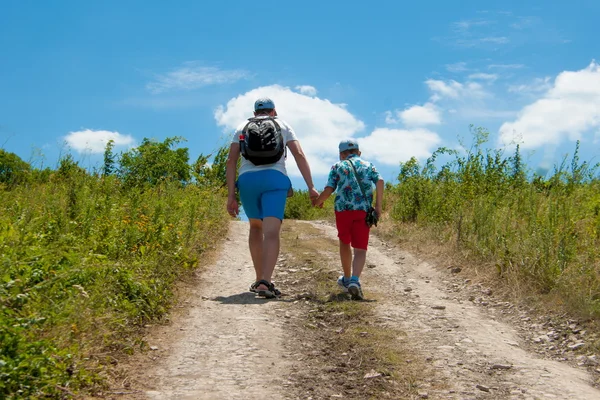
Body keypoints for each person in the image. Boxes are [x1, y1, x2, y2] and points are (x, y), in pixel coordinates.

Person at [226, 97, 319, 298]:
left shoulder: (242, 126)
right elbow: (299, 154)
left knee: (255, 227)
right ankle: (265, 282)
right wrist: (311, 186)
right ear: (273, 111)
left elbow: (231, 161)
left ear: (254, 112)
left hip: (247, 180)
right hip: (275, 179)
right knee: (271, 232)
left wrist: (231, 195)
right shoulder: (282, 124)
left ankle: (259, 277)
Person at [312, 139, 384, 300]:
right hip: (363, 211)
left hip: (343, 211)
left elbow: (329, 189)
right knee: (360, 248)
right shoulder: (368, 165)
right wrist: (378, 206)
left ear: (341, 154)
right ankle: (355, 280)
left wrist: (318, 202)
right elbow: (380, 180)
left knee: (344, 242)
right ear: (359, 152)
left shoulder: (338, 166)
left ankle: (346, 278)